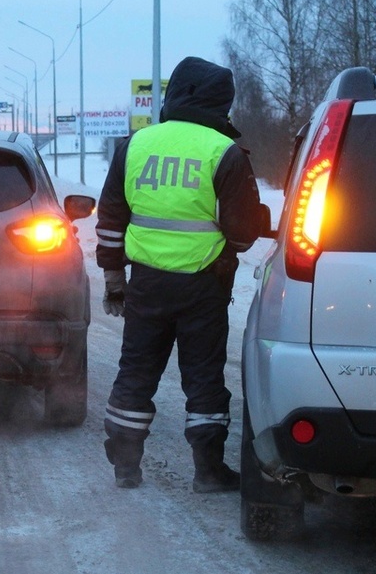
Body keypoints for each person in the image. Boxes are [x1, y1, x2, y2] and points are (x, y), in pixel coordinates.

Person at [95, 56, 264, 492]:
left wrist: (115, 282)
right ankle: (208, 471)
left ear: (175, 95)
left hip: (146, 285)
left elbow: (111, 221)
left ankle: (126, 467)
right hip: (204, 287)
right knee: (204, 377)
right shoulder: (223, 152)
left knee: (135, 371)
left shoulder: (135, 146)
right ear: (220, 103)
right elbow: (243, 236)